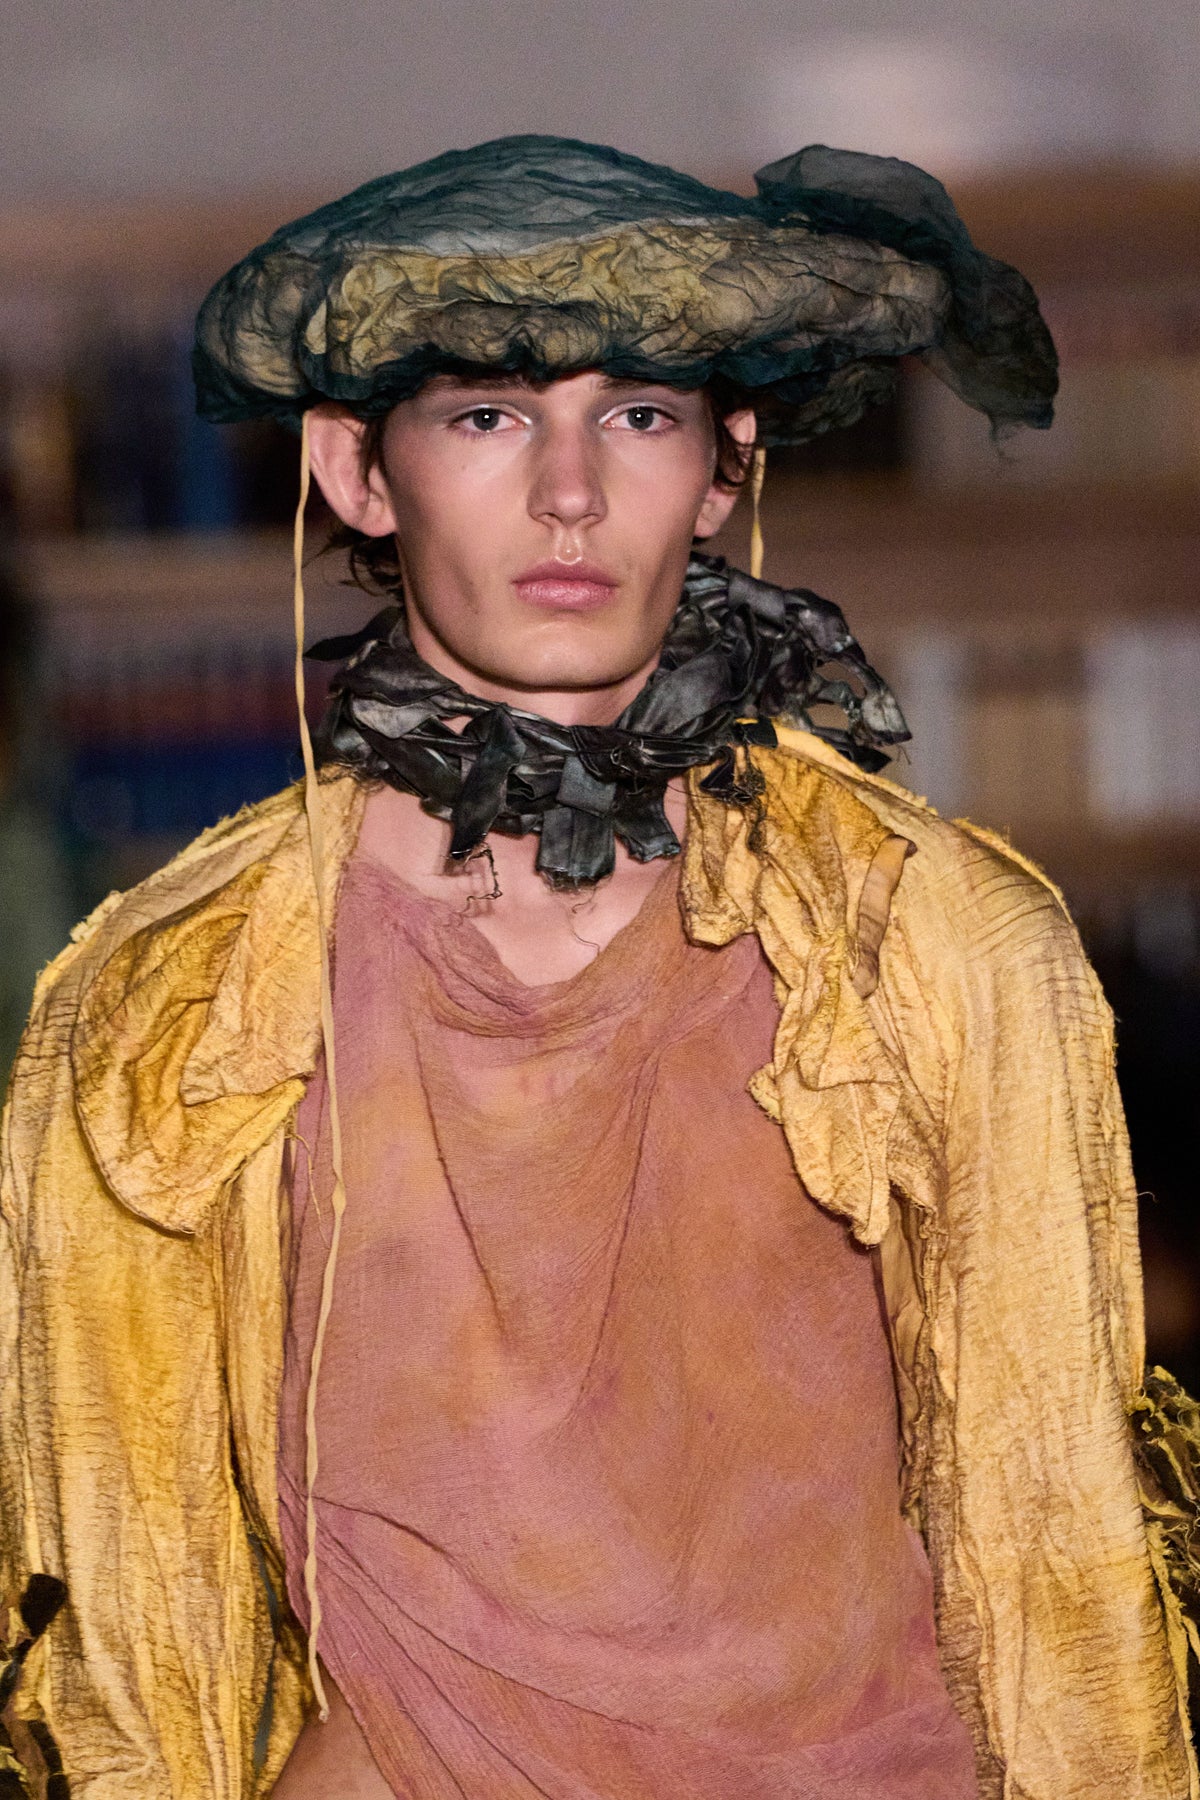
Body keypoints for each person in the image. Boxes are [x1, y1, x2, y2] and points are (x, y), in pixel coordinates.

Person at [2, 135, 1198, 1800]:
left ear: (723, 464)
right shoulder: (169, 1007)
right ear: (355, 468)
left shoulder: (933, 944)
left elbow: (1064, 1554)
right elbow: (126, 1627)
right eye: (489, 416)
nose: (569, 493)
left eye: (636, 415)